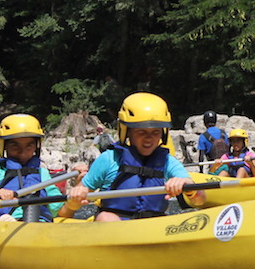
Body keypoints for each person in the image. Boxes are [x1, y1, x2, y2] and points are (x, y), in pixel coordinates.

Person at [64, 92, 205, 221]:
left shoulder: (168, 162)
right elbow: (65, 213)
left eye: (155, 132)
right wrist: (73, 201)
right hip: (114, 229)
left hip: (152, 228)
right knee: (106, 217)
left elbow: (200, 200)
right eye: (141, 132)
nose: (149, 139)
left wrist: (190, 189)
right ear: (127, 131)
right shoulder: (109, 159)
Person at [0, 115, 75, 222]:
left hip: (37, 225)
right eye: (15, 146)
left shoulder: (42, 173)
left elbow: (63, 212)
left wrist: (76, 199)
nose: (23, 153)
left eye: (29, 146)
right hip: (0, 223)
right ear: (4, 146)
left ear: (36, 146)